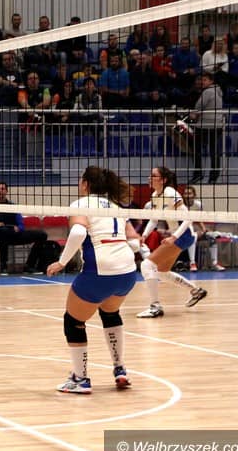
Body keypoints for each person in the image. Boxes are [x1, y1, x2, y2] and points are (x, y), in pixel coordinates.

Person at [45, 166, 140, 394]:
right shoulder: (117, 207)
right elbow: (135, 242)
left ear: (86, 184)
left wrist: (62, 262)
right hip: (127, 270)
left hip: (100, 269)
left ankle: (80, 379)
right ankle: (120, 369)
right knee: (110, 313)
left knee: (73, 322)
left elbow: (78, 233)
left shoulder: (81, 204)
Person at [136, 166, 209, 319]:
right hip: (178, 235)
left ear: (163, 180)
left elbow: (188, 218)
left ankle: (155, 307)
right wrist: (144, 235)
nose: (150, 178)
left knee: (147, 265)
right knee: (161, 272)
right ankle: (196, 291)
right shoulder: (155, 195)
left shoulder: (170, 193)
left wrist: (174, 237)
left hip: (184, 234)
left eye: (153, 175)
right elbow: (154, 219)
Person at [0, 182, 48, 275]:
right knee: (3, 232)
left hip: (13, 234)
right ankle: (3, 266)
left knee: (42, 235)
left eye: (2, 189)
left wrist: (18, 228)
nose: (0, 191)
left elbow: (21, 225)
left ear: (6, 191)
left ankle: (29, 266)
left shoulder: (13, 206)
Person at [189, 72, 224, 184]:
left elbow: (198, 106)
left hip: (205, 126)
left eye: (204, 80)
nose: (202, 82)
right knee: (214, 152)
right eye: (201, 80)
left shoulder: (208, 91)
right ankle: (213, 176)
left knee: (197, 150)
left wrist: (193, 114)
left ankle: (198, 174)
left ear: (211, 81)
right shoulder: (218, 91)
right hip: (216, 125)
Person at [182, 185, 224, 272]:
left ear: (194, 195)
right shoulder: (181, 205)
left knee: (212, 237)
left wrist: (203, 229)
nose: (187, 195)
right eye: (185, 193)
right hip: (183, 231)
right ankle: (192, 263)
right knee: (193, 237)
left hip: (195, 229)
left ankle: (214, 263)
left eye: (189, 193)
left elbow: (199, 219)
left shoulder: (198, 205)